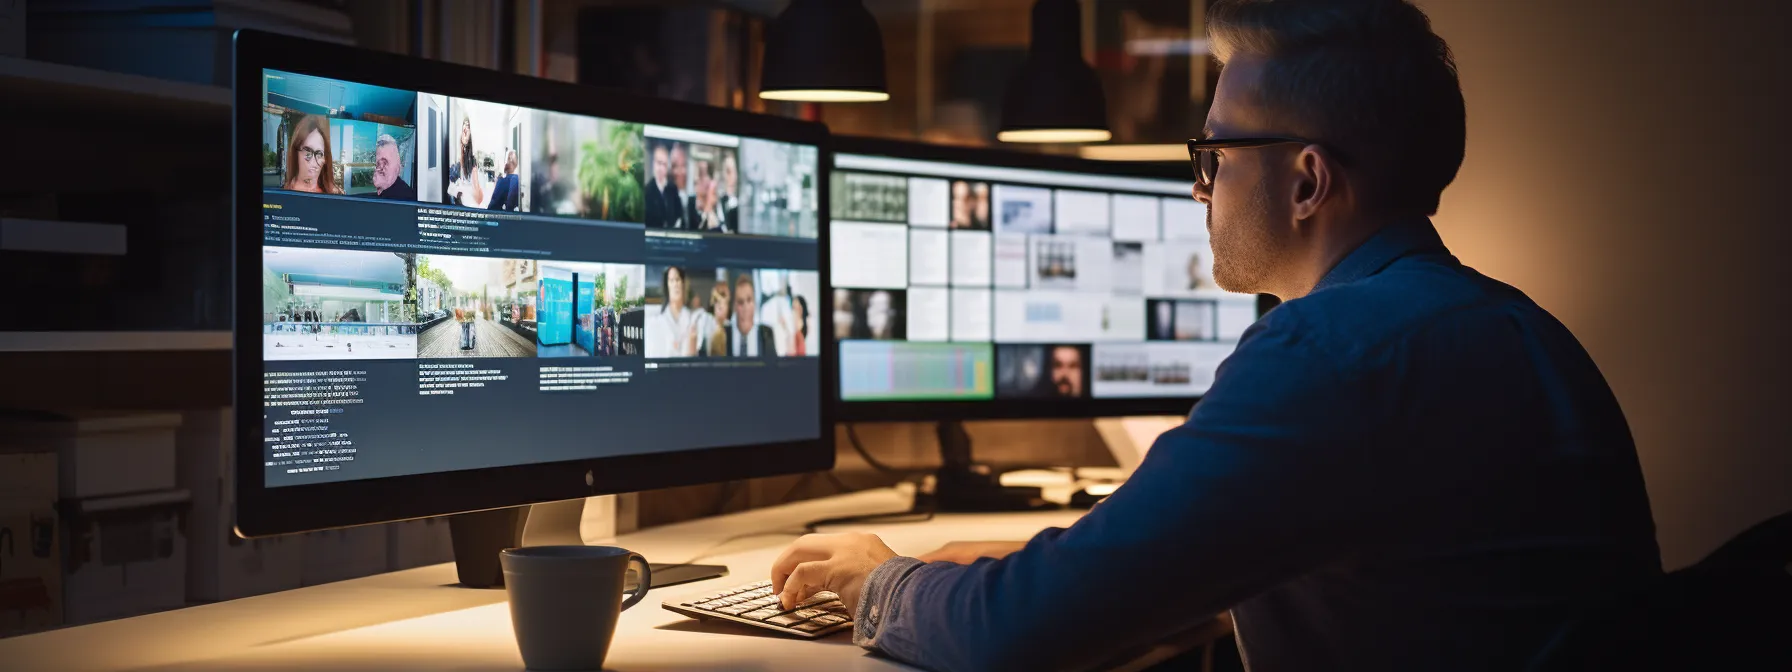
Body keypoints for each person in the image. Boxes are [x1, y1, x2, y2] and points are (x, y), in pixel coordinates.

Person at [764, 2, 1662, 671]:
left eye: (1214, 157)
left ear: (1308, 181)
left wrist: (881, 580)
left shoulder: (1328, 353)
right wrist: (1063, 560)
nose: (1200, 190)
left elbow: (1017, 636)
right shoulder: (1517, 331)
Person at [645, 266, 705, 357]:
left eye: (678, 280)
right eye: (671, 280)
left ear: (683, 283)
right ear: (667, 285)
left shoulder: (694, 319)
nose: (675, 284)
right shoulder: (656, 322)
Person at [282, 114, 341, 194]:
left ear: (325, 159)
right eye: (308, 152)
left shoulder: (333, 194)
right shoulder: (285, 193)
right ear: (296, 153)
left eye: (319, 154)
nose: (313, 161)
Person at [725, 273, 776, 357]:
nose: (745, 308)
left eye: (749, 300)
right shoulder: (725, 335)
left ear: (754, 302)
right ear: (734, 306)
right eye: (741, 302)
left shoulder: (766, 334)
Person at [447, 114, 486, 208]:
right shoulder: (457, 147)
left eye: (468, 125)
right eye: (464, 125)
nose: (465, 128)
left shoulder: (472, 161)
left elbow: (478, 198)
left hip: (468, 201)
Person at [644, 143, 683, 229]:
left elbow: (679, 214)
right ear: (653, 163)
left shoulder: (673, 189)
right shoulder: (647, 191)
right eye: (658, 163)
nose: (661, 168)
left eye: (664, 164)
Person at [371, 134, 416, 200]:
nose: (380, 168)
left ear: (398, 166)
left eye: (385, 162)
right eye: (378, 163)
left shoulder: (403, 197)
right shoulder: (384, 192)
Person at [705, 281, 732, 357]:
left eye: (724, 303)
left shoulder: (732, 328)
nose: (721, 306)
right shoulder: (705, 324)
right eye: (717, 302)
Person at [719, 153, 742, 233]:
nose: (732, 176)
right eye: (727, 172)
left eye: (733, 171)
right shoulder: (719, 201)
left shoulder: (744, 205)